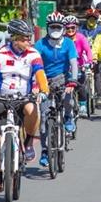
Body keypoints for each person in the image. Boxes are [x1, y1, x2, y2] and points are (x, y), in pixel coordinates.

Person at [0, 19, 48, 192]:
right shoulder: (0, 54)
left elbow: (40, 73)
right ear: (15, 38)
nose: (29, 41)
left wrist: (43, 90)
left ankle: (28, 142)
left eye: (29, 37)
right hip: (2, 99)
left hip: (23, 97)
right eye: (25, 38)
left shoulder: (33, 54)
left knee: (32, 109)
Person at [34, 13, 79, 167]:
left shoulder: (68, 43)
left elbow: (73, 63)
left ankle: (68, 117)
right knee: (44, 120)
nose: (55, 29)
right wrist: (34, 84)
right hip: (44, 80)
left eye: (58, 27)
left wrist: (72, 81)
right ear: (48, 28)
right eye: (52, 26)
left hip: (64, 78)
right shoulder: (40, 44)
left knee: (68, 97)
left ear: (63, 28)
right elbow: (33, 64)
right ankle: (45, 151)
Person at [63, 15, 93, 116]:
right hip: (66, 65)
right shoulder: (63, 39)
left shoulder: (81, 38)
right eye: (67, 28)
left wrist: (89, 62)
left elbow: (88, 50)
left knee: (81, 84)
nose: (70, 30)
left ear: (77, 28)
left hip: (80, 63)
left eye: (73, 27)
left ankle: (83, 104)